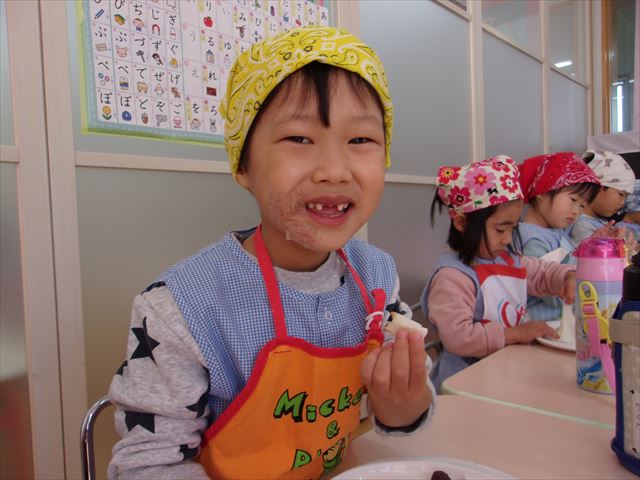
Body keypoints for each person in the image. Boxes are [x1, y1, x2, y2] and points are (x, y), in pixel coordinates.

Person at [108, 26, 435, 480]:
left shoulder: (377, 275)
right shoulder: (181, 307)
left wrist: (403, 401)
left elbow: (398, 415)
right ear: (243, 164)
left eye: (360, 140)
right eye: (299, 139)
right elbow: (148, 466)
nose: (334, 170)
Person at [420, 156, 576, 392]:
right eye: (500, 229)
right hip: (464, 381)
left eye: (513, 228)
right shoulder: (453, 276)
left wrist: (566, 277)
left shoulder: (509, 259)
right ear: (462, 223)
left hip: (505, 370)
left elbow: (542, 272)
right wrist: (515, 333)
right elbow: (458, 337)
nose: (507, 239)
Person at [517, 152, 601, 321]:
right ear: (542, 192)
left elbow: (568, 259)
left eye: (582, 205)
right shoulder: (532, 239)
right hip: (545, 324)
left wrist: (591, 246)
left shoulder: (555, 231)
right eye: (573, 200)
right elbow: (555, 295)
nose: (576, 211)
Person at [568, 150, 637, 247]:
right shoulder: (581, 226)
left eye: (626, 197)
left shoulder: (597, 222)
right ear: (600, 188)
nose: (622, 203)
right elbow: (591, 254)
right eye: (621, 194)